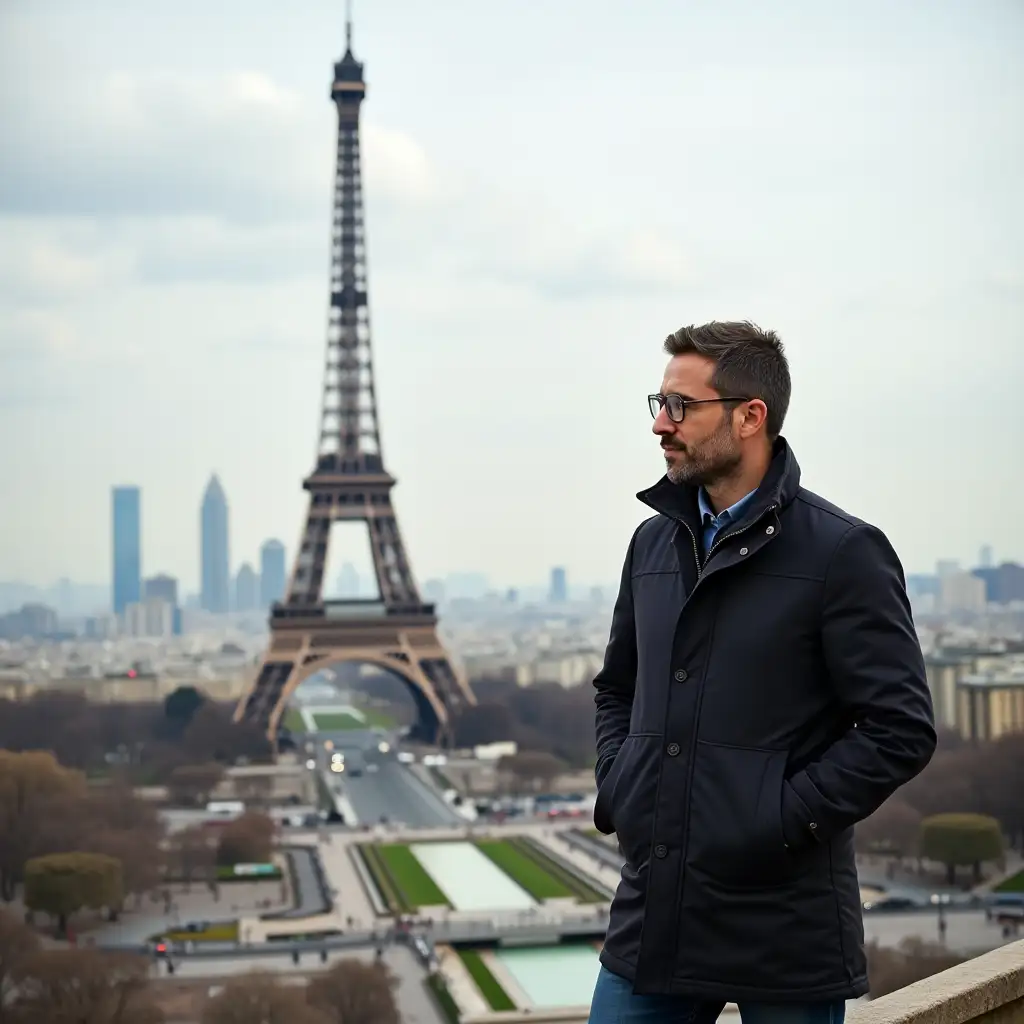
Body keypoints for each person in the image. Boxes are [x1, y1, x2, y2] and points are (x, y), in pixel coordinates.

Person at [589, 321, 936, 1024]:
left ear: (752, 417)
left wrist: (776, 818)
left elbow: (901, 728)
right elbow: (616, 687)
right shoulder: (652, 543)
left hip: (784, 919)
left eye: (681, 405)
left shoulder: (844, 552)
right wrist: (621, 787)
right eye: (657, 402)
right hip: (655, 907)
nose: (661, 423)